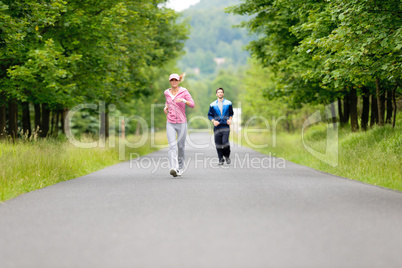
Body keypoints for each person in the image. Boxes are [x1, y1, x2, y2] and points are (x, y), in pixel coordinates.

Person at [164, 73, 194, 177]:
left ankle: (180, 168)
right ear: (170, 81)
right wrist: (166, 107)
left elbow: (192, 104)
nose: (174, 82)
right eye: (172, 80)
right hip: (170, 122)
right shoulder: (166, 92)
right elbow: (167, 102)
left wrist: (184, 100)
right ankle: (174, 168)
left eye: (175, 80)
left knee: (181, 147)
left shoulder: (184, 91)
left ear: (178, 81)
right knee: (172, 146)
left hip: (182, 122)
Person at [208, 87, 234, 165]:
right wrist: (213, 121)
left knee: (225, 143)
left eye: (221, 92)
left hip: (225, 126)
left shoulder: (228, 103)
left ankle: (227, 156)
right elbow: (209, 115)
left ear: (223, 94)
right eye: (218, 92)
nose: (220, 93)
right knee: (218, 144)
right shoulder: (212, 105)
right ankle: (220, 159)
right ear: (216, 94)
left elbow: (231, 113)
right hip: (217, 127)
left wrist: (230, 120)